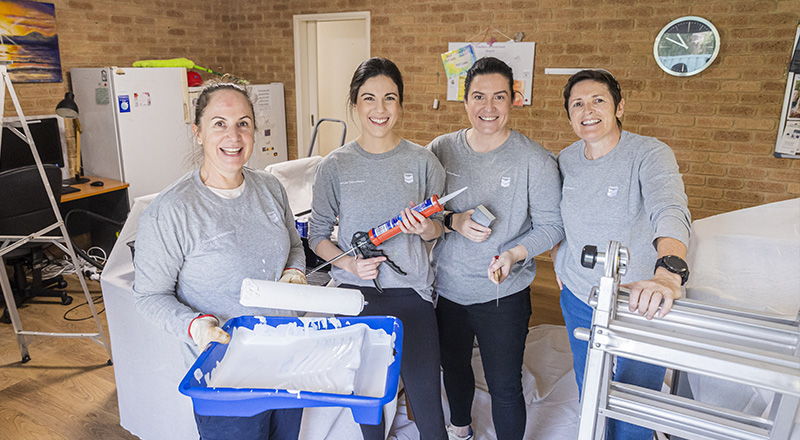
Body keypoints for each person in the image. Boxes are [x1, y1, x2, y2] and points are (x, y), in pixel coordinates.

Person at [133, 79, 307, 440]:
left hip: (286, 358)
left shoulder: (270, 187)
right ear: (197, 133)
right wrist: (194, 325)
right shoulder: (171, 211)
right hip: (225, 376)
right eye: (219, 124)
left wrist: (294, 270)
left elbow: (293, 245)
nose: (234, 135)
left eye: (243, 123)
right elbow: (150, 297)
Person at [308, 57, 448, 440]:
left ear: (400, 104)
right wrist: (350, 265)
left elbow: (440, 230)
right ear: (355, 105)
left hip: (412, 295)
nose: (380, 109)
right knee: (368, 404)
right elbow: (317, 235)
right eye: (369, 98)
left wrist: (425, 229)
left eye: (390, 98)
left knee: (427, 405)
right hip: (356, 298)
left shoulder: (423, 162)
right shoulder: (334, 166)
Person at [427, 57, 564, 440]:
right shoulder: (440, 149)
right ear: (465, 100)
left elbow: (552, 226)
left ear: (514, 99)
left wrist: (514, 254)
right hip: (447, 288)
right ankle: (461, 430)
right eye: (478, 96)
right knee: (453, 369)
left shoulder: (533, 160)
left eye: (499, 97)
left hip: (504, 293)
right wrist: (453, 220)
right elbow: (425, 211)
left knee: (504, 384)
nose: (488, 107)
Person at [552, 69, 691, 440]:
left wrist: (668, 271)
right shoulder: (565, 160)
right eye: (577, 104)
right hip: (581, 296)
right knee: (591, 390)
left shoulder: (648, 153)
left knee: (634, 403)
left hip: (640, 300)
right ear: (569, 115)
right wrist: (559, 259)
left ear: (619, 107)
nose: (588, 110)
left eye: (598, 100)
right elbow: (556, 219)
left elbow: (670, 209)